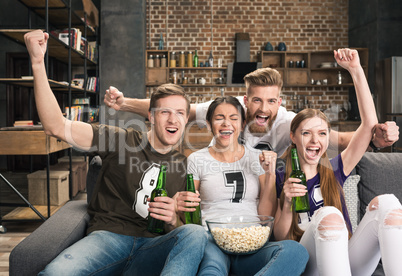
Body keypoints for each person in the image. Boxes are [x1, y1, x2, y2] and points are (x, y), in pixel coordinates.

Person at [24, 30, 207, 276]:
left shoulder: (186, 166)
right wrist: (37, 62)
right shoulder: (120, 138)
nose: (173, 119)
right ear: (151, 116)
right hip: (107, 240)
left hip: (152, 248)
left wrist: (173, 218)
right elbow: (55, 126)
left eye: (180, 113)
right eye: (164, 112)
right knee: (55, 273)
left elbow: (182, 231)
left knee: (195, 233)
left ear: (186, 120)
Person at [274, 48, 402, 275]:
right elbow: (281, 238)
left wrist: (356, 70)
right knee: (328, 215)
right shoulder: (280, 175)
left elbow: (369, 125)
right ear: (293, 137)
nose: (315, 141)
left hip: (347, 258)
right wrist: (286, 202)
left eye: (322, 134)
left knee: (388, 204)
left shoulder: (334, 169)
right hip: (308, 262)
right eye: (306, 133)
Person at [103, 69, 399, 158]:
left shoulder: (288, 122)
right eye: (257, 101)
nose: (263, 109)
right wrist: (124, 103)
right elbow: (177, 110)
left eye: (271, 102)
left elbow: (340, 139)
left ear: (279, 102)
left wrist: (376, 138)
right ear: (246, 100)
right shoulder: (230, 111)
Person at [175, 96, 309, 275]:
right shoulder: (197, 159)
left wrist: (269, 174)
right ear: (208, 124)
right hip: (213, 239)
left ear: (243, 123)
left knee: (296, 252)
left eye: (233, 118)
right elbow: (190, 209)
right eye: (219, 118)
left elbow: (266, 215)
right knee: (211, 270)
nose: (226, 124)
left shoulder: (258, 157)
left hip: (252, 242)